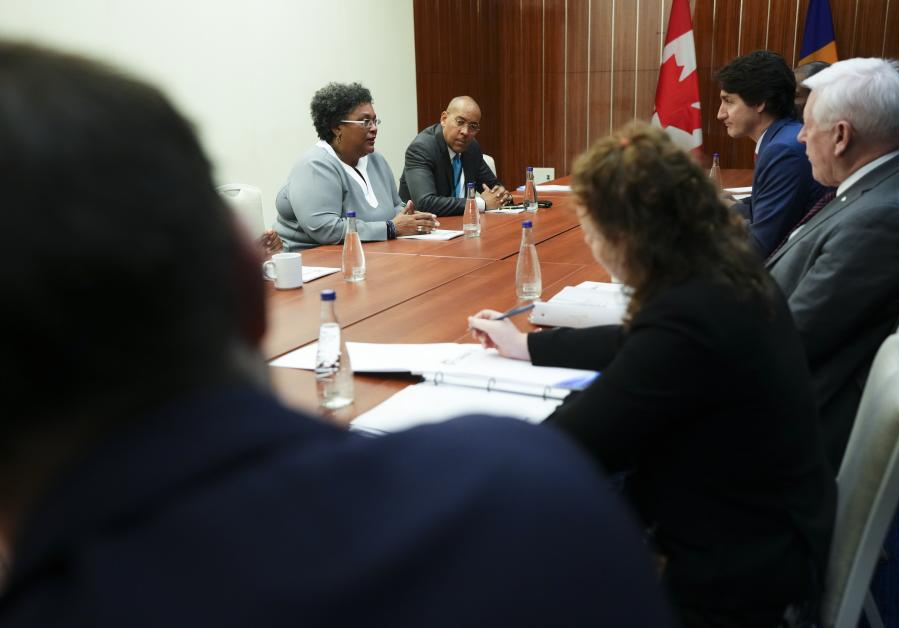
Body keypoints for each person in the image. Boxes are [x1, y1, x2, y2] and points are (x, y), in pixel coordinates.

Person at [0, 42, 679, 627]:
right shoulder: (533, 498)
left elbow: (386, 213)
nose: (377, 130)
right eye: (367, 120)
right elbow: (349, 226)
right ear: (250, 283)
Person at [469, 121, 835, 628]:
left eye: (591, 230)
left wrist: (461, 443)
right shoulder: (723, 272)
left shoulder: (690, 315)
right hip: (765, 520)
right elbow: (636, 346)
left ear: (625, 236)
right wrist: (528, 344)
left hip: (730, 575)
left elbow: (575, 443)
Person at [768, 58, 899, 468]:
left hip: (779, 419)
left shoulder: (885, 219)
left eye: (808, 126)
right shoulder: (886, 185)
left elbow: (787, 341)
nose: (800, 138)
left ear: (842, 136)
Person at [274, 82, 439, 250]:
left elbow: (395, 205)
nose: (374, 128)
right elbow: (326, 229)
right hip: (313, 261)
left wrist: (410, 217)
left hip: (371, 252)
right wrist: (391, 228)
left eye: (375, 121)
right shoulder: (314, 166)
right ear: (337, 128)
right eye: (365, 122)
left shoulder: (376, 159)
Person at [716, 50, 827, 257]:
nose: (720, 113)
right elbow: (762, 206)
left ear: (759, 103)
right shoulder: (782, 136)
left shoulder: (784, 150)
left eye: (729, 101)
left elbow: (760, 245)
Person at [399, 96, 512, 216]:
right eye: (460, 122)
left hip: (462, 224)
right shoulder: (421, 149)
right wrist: (479, 203)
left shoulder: (471, 148)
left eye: (473, 126)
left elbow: (495, 189)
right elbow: (425, 203)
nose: (465, 132)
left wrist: (503, 196)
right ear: (444, 119)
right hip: (422, 227)